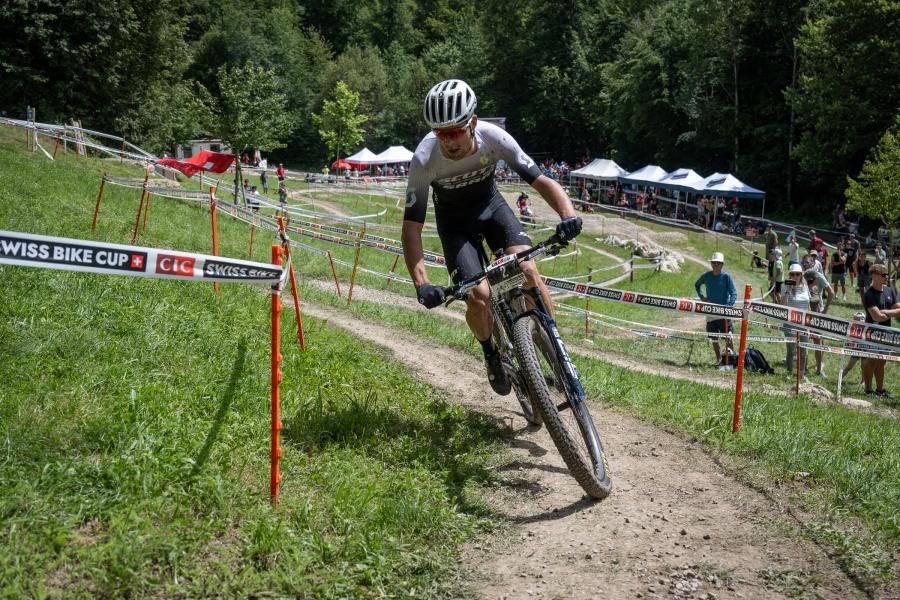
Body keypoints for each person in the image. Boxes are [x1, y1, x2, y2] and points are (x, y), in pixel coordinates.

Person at [402, 79, 582, 395]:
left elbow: (541, 181)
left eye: (455, 131)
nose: (448, 141)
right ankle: (491, 354)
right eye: (440, 133)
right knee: (478, 295)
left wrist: (568, 216)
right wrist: (422, 284)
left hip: (492, 208)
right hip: (454, 224)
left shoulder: (494, 137)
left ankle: (557, 350)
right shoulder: (424, 159)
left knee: (527, 272)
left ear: (472, 122)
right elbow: (411, 228)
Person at [861, 263, 899, 400]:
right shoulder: (869, 294)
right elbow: (876, 316)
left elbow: (898, 309)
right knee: (871, 360)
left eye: (887, 274)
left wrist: (885, 312)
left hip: (886, 332)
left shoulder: (890, 290)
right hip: (872, 332)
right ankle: (868, 390)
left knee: (882, 361)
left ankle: (880, 389)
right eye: (883, 275)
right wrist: (889, 313)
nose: (887, 277)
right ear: (874, 276)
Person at [694, 252, 737, 367]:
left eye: (718, 263)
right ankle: (719, 360)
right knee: (714, 338)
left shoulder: (726, 277)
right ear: (711, 263)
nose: (716, 265)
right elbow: (697, 285)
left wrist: (728, 306)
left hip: (723, 313)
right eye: (714, 263)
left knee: (728, 337)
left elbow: (733, 292)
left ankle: (732, 360)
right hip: (710, 311)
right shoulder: (706, 276)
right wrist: (702, 297)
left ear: (722, 264)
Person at [804, 268, 834, 376]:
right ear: (814, 279)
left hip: (817, 320)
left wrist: (823, 310)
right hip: (806, 320)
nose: (819, 278)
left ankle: (819, 369)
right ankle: (804, 368)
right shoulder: (804, 290)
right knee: (804, 343)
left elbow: (818, 302)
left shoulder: (816, 288)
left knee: (819, 344)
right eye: (817, 277)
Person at [781, 263, 810, 377]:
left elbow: (808, 305)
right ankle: (789, 372)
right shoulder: (786, 286)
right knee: (791, 350)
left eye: (797, 274)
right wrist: (788, 290)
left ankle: (801, 374)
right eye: (792, 274)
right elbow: (783, 304)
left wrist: (810, 321)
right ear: (789, 275)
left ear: (801, 275)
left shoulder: (805, 287)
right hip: (790, 322)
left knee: (803, 350)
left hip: (803, 322)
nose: (795, 276)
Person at [839, 311, 867, 386]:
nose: (860, 320)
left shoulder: (867, 327)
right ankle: (839, 379)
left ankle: (863, 381)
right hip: (856, 350)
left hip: (865, 350)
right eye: (858, 319)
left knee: (864, 367)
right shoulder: (853, 327)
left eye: (862, 318)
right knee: (849, 367)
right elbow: (849, 338)